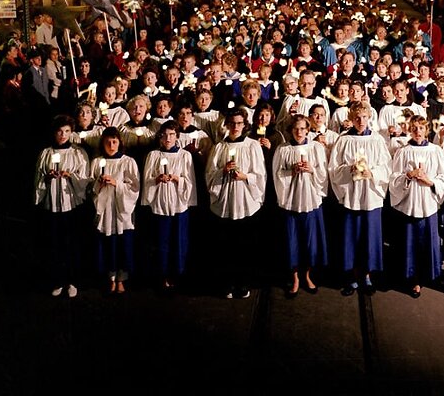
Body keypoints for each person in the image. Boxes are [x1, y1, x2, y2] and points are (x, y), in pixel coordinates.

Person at [327, 103, 392, 296]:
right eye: (357, 117)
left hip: (371, 195)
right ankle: (352, 277)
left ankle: (367, 276)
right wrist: (348, 170)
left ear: (369, 116)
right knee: (352, 237)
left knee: (369, 238)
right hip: (352, 195)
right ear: (351, 117)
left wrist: (373, 172)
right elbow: (333, 168)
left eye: (364, 117)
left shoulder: (377, 140)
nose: (361, 121)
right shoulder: (343, 140)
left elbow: (386, 166)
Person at [205, 112, 267, 299]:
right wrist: (222, 172)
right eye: (232, 123)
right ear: (227, 125)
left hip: (246, 201)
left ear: (244, 125)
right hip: (225, 201)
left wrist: (245, 176)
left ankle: (244, 282)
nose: (235, 127)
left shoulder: (253, 146)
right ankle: (228, 283)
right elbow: (209, 174)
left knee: (245, 245)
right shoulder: (219, 147)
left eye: (239, 123)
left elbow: (260, 174)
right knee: (226, 246)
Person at [388, 116, 444, 298]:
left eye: (421, 128)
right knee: (409, 243)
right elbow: (393, 178)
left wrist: (429, 182)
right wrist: (408, 175)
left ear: (427, 129)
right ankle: (412, 277)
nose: (418, 131)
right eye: (414, 128)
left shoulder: (436, 151)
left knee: (427, 242)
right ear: (409, 129)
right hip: (409, 204)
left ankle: (427, 275)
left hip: (428, 204)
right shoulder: (403, 151)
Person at [33, 116, 93, 297]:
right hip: (52, 204)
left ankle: (72, 281)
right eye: (60, 131)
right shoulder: (46, 153)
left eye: (67, 131)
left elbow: (84, 179)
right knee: (55, 244)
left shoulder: (78, 153)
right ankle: (58, 280)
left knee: (72, 243)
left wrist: (70, 176)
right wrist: (48, 177)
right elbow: (38, 177)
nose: (63, 135)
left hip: (72, 205)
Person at [270, 115, 328, 296]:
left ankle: (307, 275)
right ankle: (294, 277)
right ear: (290, 130)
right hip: (291, 201)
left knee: (310, 241)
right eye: (296, 128)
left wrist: (312, 170)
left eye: (303, 129)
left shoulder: (316, 148)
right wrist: (291, 171)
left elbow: (324, 173)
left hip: (310, 200)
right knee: (292, 240)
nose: (299, 132)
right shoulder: (283, 149)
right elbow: (277, 175)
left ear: (308, 130)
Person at [141, 123, 197, 291]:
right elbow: (147, 180)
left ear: (177, 136)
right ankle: (163, 276)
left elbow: (190, 181)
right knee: (162, 240)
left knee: (178, 241)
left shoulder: (185, 155)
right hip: (160, 203)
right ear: (160, 136)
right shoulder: (153, 155)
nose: (168, 138)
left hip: (179, 204)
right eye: (164, 135)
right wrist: (157, 179)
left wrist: (176, 178)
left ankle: (178, 275)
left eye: (172, 134)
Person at [91, 127, 140, 294]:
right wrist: (99, 183)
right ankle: (111, 277)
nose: (111, 145)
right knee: (108, 245)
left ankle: (122, 278)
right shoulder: (98, 162)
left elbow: (134, 187)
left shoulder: (127, 162)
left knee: (123, 244)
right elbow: (90, 187)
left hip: (122, 211)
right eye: (107, 142)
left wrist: (116, 183)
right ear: (102, 144)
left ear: (120, 142)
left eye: (114, 141)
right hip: (105, 211)